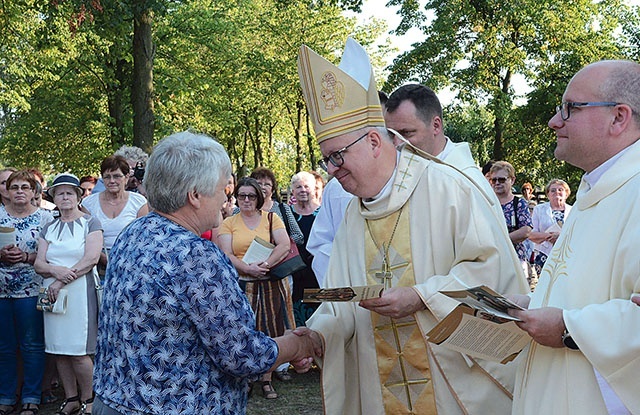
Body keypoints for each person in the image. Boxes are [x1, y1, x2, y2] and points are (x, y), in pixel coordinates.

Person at [297, 37, 527, 414]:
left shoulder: (449, 188)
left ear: (374, 140)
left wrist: (421, 297)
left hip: (455, 385)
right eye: (326, 161)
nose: (333, 171)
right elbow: (340, 300)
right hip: (380, 387)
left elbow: (492, 271)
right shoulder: (355, 214)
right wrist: (316, 336)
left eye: (337, 156)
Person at [93, 131, 320, 415]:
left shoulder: (133, 233)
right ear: (195, 195)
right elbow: (241, 355)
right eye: (223, 187)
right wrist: (298, 345)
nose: (228, 196)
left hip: (115, 400)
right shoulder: (196, 255)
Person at [509, 60, 640, 414]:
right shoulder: (593, 191)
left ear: (619, 117)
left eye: (570, 108)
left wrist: (569, 329)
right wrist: (535, 305)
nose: (554, 121)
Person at [218, 177, 295, 399]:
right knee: (245, 331)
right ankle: (248, 379)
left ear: (259, 197)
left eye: (251, 196)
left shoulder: (272, 218)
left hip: (270, 282)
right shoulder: (229, 222)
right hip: (241, 284)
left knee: (271, 330)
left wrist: (265, 265)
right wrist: (247, 269)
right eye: (241, 196)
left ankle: (267, 380)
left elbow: (284, 244)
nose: (246, 200)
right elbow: (226, 253)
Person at [35, 174, 103, 415]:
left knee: (79, 352)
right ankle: (71, 398)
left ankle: (89, 399)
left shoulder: (90, 223)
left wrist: (61, 280)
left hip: (78, 292)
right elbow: (39, 264)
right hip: (52, 295)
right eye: (59, 193)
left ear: (78, 196)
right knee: (58, 349)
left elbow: (91, 259)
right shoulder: (48, 227)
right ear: (53, 197)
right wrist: (54, 272)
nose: (64, 197)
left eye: (69, 192)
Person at [384, 83, 501, 214]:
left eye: (406, 133)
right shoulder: (402, 172)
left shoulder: (466, 185)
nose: (397, 143)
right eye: (391, 135)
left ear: (435, 126)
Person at [0, 170, 55, 415]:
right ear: (7, 191)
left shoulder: (46, 219)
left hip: (32, 290)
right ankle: (6, 396)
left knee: (32, 345)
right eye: (14, 187)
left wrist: (25, 256)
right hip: (1, 292)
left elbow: (54, 255)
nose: (19, 191)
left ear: (35, 192)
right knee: (4, 347)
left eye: (25, 187)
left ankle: (32, 396)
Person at [81, 155, 148, 276]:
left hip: (131, 265)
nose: (112, 181)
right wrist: (105, 259)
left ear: (126, 177)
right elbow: (84, 238)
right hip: (98, 265)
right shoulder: (89, 203)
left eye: (117, 176)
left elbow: (143, 239)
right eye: (107, 177)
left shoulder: (139, 202)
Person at [490, 161, 533, 285]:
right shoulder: (487, 203)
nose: (497, 183)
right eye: (494, 180)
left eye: (502, 180)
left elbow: (526, 231)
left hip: (515, 259)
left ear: (512, 180)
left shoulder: (519, 203)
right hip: (492, 260)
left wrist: (501, 241)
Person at [289, 172, 321, 324]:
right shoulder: (287, 213)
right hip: (295, 272)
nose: (303, 190)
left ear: (314, 189)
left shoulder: (323, 212)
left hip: (319, 271)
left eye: (306, 186)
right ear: (293, 191)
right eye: (298, 187)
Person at [528, 179, 572, 277]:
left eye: (560, 190)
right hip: (544, 254)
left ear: (566, 193)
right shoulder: (538, 209)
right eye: (553, 190)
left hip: (567, 255)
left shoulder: (573, 211)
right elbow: (531, 234)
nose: (557, 192)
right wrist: (549, 236)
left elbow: (578, 234)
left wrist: (560, 237)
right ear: (548, 194)